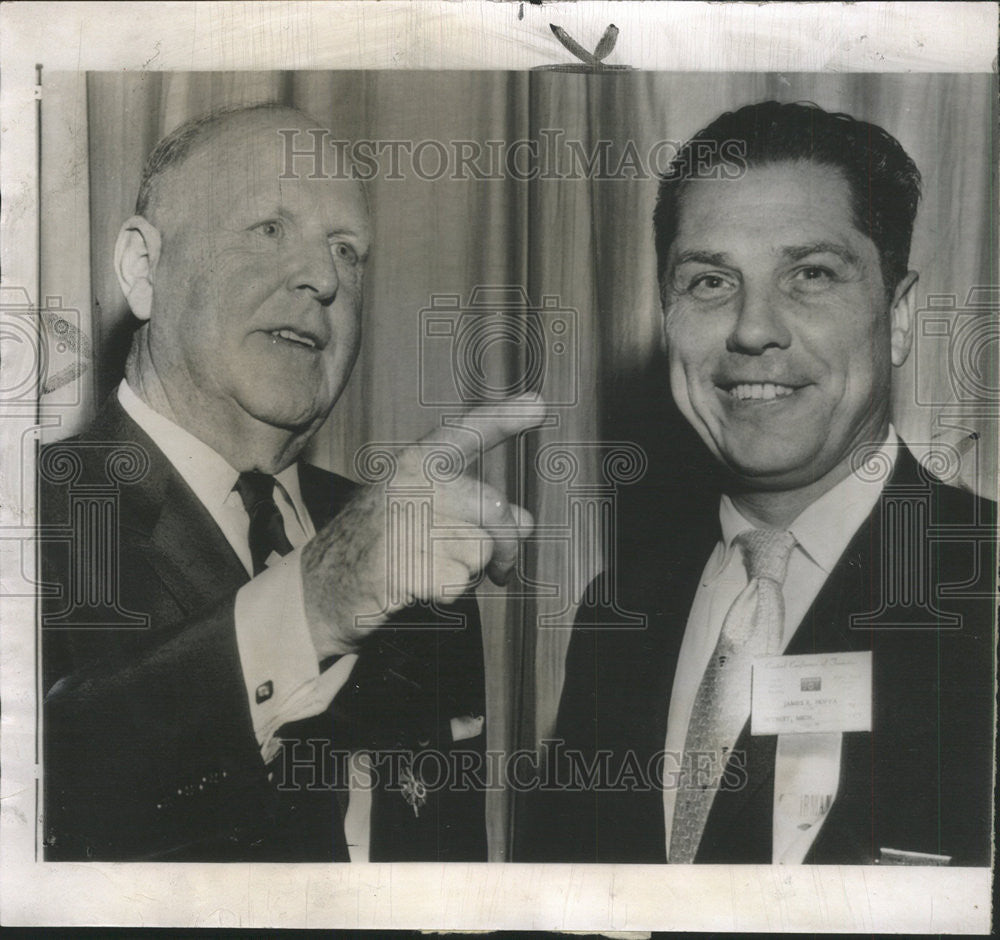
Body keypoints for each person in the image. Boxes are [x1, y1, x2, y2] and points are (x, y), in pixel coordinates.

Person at [40, 103, 542, 862]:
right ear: (144, 269)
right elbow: (44, 795)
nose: (321, 278)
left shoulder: (404, 546)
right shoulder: (28, 516)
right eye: (269, 229)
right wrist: (312, 604)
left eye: (347, 251)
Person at [528, 101, 995, 865]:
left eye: (810, 274)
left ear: (900, 315)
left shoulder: (988, 585)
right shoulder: (619, 614)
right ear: (667, 316)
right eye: (711, 281)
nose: (752, 329)